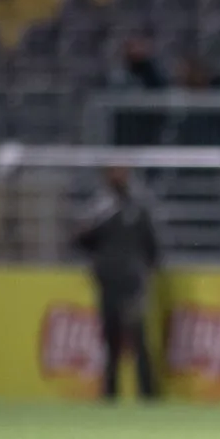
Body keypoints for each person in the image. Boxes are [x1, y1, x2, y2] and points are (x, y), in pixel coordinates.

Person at [73, 165, 161, 401]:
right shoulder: (101, 209)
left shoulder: (138, 207)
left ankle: (148, 394)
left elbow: (151, 244)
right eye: (113, 172)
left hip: (133, 282)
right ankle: (110, 393)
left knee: (138, 338)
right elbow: (81, 240)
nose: (118, 177)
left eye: (121, 172)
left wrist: (149, 271)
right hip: (108, 281)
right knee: (110, 339)